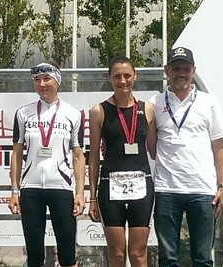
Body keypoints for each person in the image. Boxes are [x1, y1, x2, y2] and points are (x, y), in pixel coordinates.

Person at [148, 47, 223, 266]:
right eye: (176, 68)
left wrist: (222, 186)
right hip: (167, 190)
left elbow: (219, 147)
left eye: (186, 68)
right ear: (167, 71)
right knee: (168, 259)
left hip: (203, 191)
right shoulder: (154, 103)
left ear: (194, 70)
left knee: (203, 258)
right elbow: (150, 146)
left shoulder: (208, 102)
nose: (181, 73)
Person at [8, 61, 86, 267]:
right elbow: (16, 154)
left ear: (57, 81)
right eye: (37, 80)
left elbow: (78, 155)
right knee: (34, 255)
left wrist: (79, 192)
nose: (41, 84)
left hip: (60, 187)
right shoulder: (23, 113)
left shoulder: (74, 114)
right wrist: (15, 190)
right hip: (31, 188)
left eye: (46, 79)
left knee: (68, 254)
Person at [87, 55, 155, 267]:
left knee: (137, 254)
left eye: (127, 75)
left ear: (135, 76)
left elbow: (155, 150)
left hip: (141, 186)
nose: (123, 81)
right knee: (116, 254)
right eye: (117, 76)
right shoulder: (98, 111)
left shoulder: (148, 109)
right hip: (110, 187)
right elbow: (93, 157)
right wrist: (92, 197)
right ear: (109, 78)